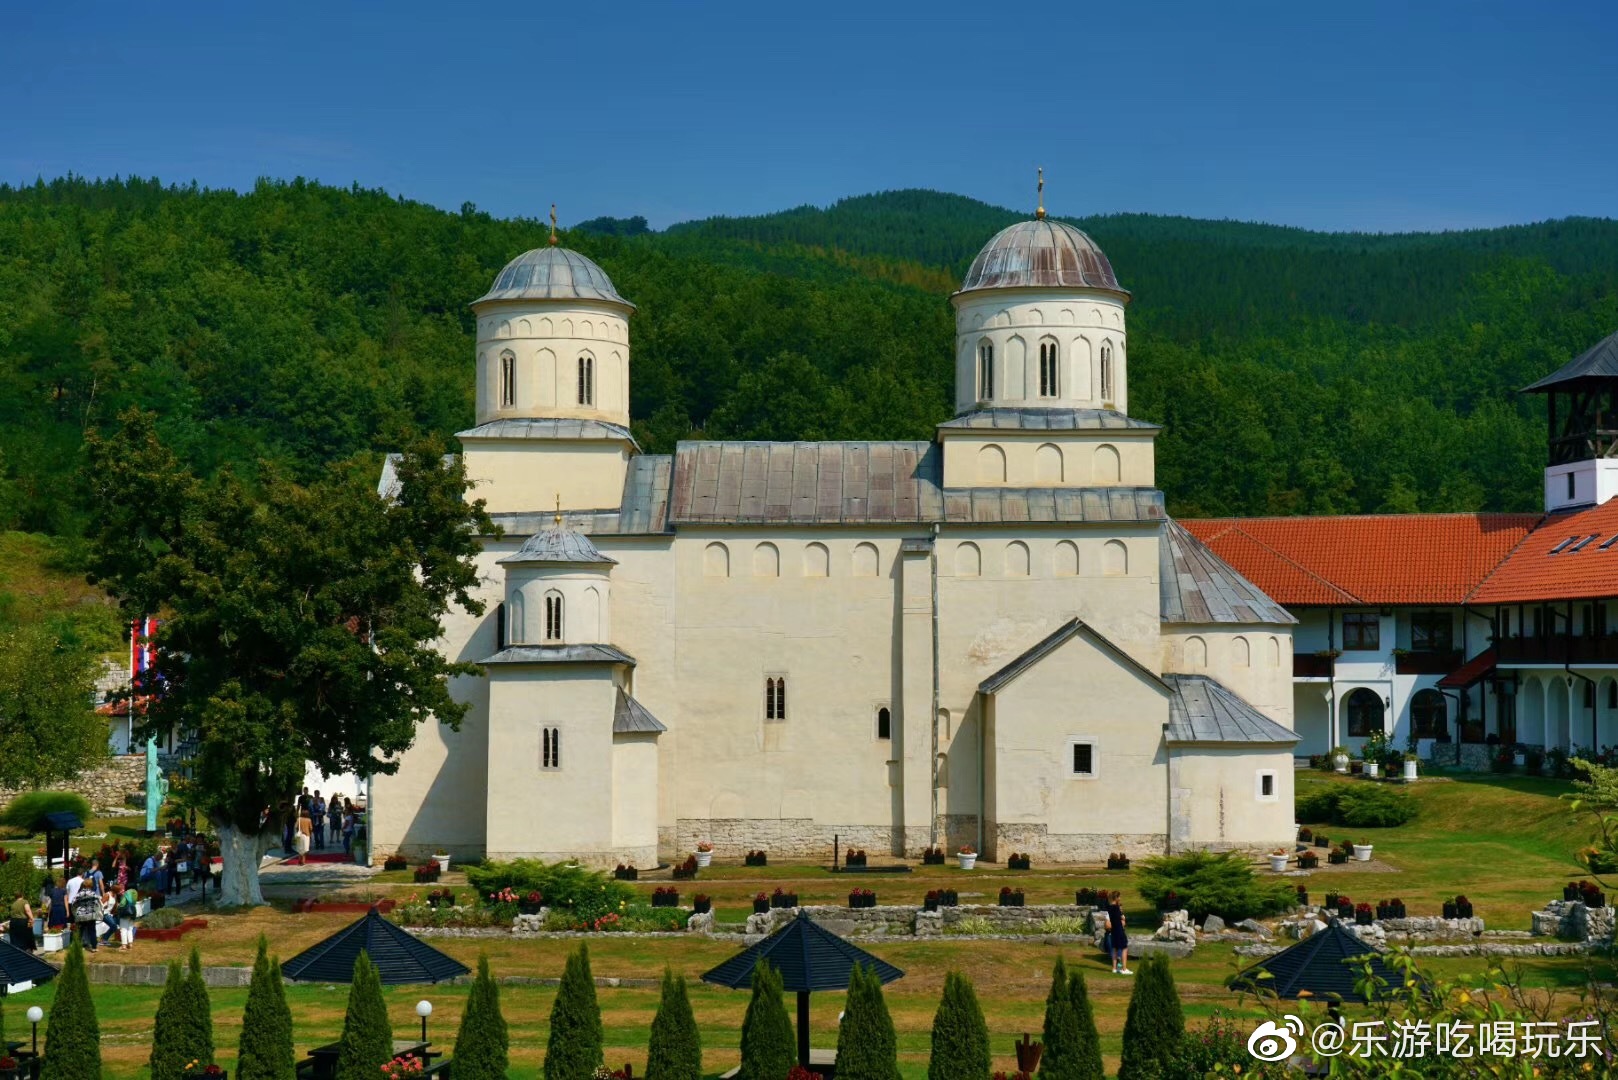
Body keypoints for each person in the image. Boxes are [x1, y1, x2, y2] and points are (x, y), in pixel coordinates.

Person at [1103, 891, 1130, 975]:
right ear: (1117, 897)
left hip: (1114, 931)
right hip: (1119, 930)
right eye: (1119, 897)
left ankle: (1114, 968)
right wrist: (1122, 917)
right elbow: (1120, 919)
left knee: (1114, 948)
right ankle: (1124, 969)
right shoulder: (1116, 908)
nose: (1120, 899)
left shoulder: (1109, 907)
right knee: (1124, 948)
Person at [115, 883, 139, 950]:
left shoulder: (127, 893)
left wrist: (118, 906)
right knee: (130, 928)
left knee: (123, 929)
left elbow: (123, 903)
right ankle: (130, 944)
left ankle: (124, 945)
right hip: (133, 911)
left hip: (126, 912)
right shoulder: (135, 893)